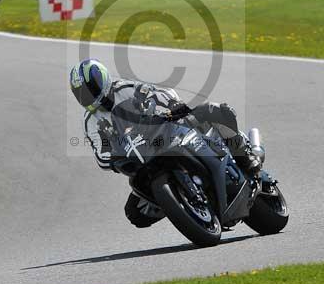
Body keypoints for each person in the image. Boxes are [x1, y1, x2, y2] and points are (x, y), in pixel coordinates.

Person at [69, 59, 261, 228]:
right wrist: (112, 159)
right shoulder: (91, 121)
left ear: (102, 78)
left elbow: (156, 92)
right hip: (141, 158)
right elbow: (101, 152)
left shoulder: (124, 88)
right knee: (135, 213)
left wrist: (172, 105)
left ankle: (244, 153)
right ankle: (178, 202)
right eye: (81, 94)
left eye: (90, 89)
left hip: (164, 131)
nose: (87, 96)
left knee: (216, 110)